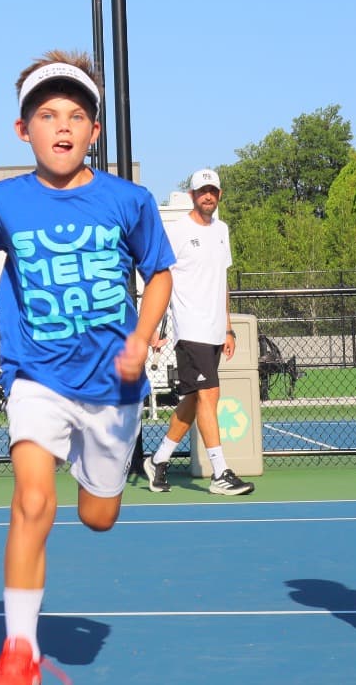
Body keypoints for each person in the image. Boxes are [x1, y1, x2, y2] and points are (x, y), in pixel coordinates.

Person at [0, 50, 174, 685]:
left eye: (76, 115)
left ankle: (105, 479)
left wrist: (142, 335)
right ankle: (18, 650)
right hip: (35, 375)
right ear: (22, 129)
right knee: (32, 500)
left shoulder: (130, 201)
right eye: (46, 114)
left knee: (97, 516)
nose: (62, 125)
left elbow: (160, 274)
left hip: (113, 385)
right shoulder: (4, 200)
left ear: (94, 131)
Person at [139, 168, 254, 496]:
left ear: (219, 195)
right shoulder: (176, 231)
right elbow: (158, 278)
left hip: (215, 331)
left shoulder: (222, 230)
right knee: (209, 395)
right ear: (192, 195)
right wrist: (151, 327)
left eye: (212, 191)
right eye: (202, 191)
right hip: (190, 330)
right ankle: (220, 473)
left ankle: (158, 460)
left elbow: (222, 281)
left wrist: (228, 329)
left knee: (193, 400)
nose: (208, 196)